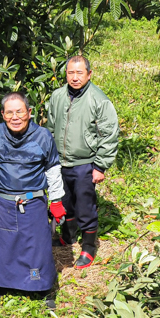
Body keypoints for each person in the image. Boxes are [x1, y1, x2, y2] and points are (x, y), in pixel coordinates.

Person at [0, 92, 64, 308]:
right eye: (9, 113)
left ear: (29, 113)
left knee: (37, 246)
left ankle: (43, 287)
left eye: (19, 112)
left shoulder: (43, 136)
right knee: (2, 245)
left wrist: (56, 201)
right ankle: (0, 284)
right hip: (4, 203)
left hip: (33, 202)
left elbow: (52, 169)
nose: (15, 117)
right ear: (2, 114)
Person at [45, 55, 120, 269]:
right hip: (60, 161)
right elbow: (50, 127)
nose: (75, 77)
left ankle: (89, 246)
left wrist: (100, 165)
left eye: (79, 73)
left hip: (85, 162)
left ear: (89, 74)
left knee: (85, 206)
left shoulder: (99, 99)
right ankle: (67, 236)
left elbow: (109, 134)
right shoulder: (58, 96)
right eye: (71, 73)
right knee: (64, 200)